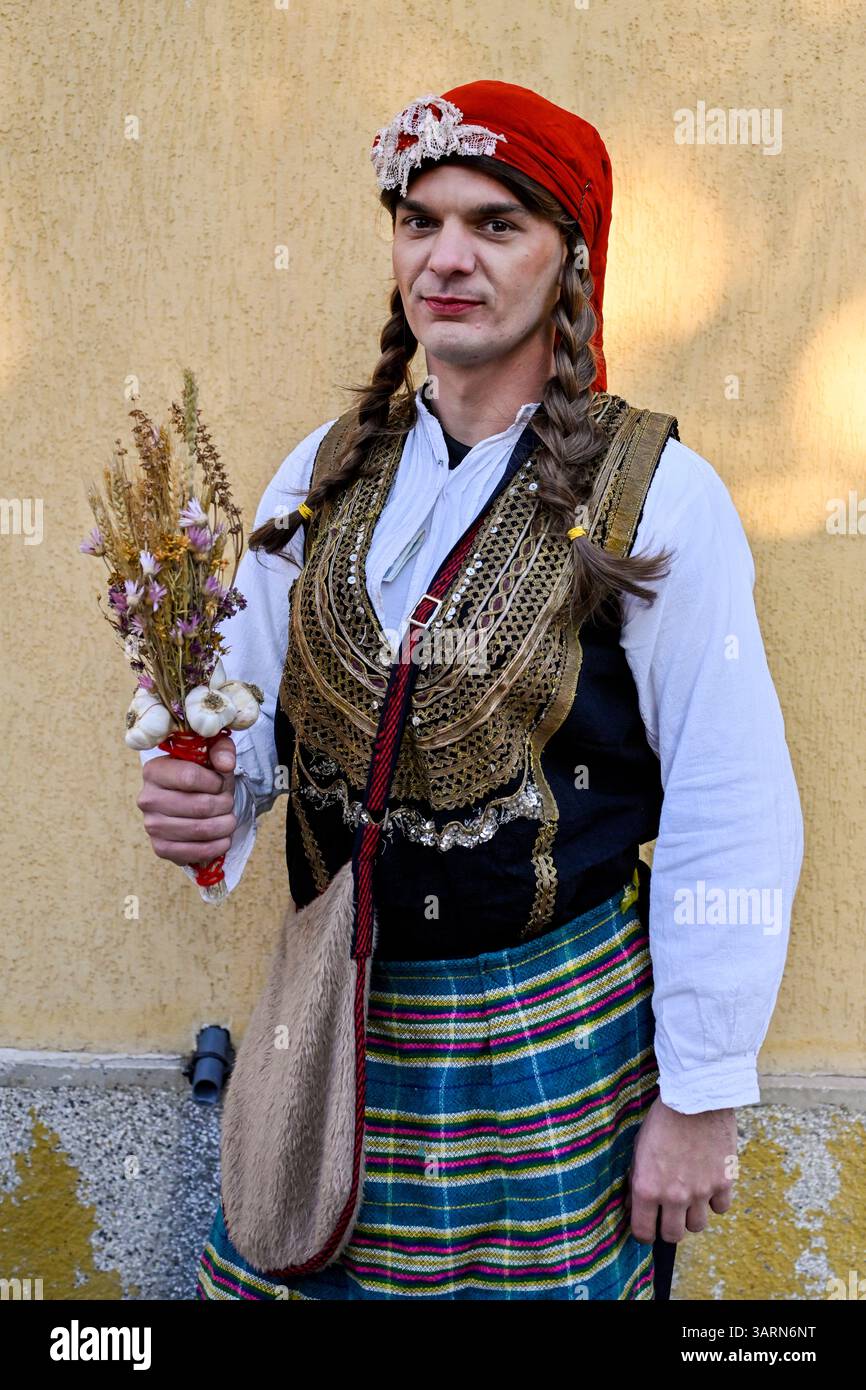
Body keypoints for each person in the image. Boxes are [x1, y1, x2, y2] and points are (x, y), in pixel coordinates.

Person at [137, 81, 804, 1301]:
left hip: (548, 1040)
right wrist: (207, 804)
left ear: (569, 263)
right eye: (418, 220)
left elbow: (730, 796)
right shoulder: (322, 472)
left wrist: (701, 1093)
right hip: (330, 1026)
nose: (446, 257)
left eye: (495, 225)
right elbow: (247, 728)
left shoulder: (652, 493)